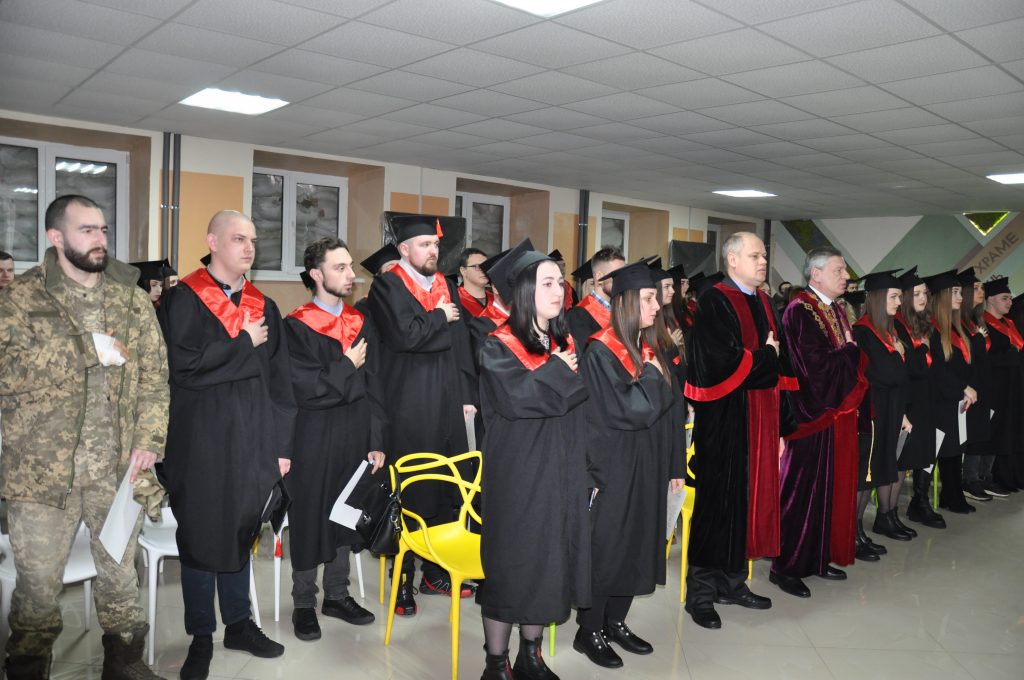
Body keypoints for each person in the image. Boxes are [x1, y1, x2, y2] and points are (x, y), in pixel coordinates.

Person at [0, 195, 168, 680]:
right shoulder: (21, 297)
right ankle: (28, 668)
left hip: (116, 469)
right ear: (56, 237)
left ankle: (124, 663)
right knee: (37, 590)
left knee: (121, 576)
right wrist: (83, 350)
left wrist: (148, 440)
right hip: (41, 476)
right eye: (87, 230)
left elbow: (155, 377)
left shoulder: (130, 299)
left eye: (103, 229)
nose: (100, 240)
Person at [158, 210, 295, 679]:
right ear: (212, 241)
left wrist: (282, 447)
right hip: (199, 443)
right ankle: (201, 636)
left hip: (253, 441)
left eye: (253, 240)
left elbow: (281, 384)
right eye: (239, 239)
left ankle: (238, 624)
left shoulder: (264, 306)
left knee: (241, 531)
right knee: (200, 537)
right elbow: (183, 368)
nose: (249, 247)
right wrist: (241, 343)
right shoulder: (183, 299)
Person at [475, 240, 591, 680]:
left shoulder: (564, 339)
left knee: (548, 562)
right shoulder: (498, 344)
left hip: (560, 466)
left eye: (560, 282)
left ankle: (531, 655)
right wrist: (557, 371)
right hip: (518, 472)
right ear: (524, 291)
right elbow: (517, 400)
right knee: (513, 564)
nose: (559, 290)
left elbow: (577, 402)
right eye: (547, 283)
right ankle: (495, 663)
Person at [574, 260, 685, 669]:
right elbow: (630, 410)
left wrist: (674, 465)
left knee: (638, 544)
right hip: (614, 468)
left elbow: (673, 412)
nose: (657, 305)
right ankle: (589, 630)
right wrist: (652, 378)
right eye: (650, 298)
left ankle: (616, 621)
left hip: (650, 463)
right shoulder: (601, 351)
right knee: (610, 548)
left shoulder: (651, 347)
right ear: (626, 302)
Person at [366, 215, 478, 616]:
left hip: (447, 399)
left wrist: (466, 393)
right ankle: (402, 581)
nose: (433, 251)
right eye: (424, 244)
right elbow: (404, 335)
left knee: (446, 484)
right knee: (411, 490)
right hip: (408, 403)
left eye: (435, 244)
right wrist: (438, 319)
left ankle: (435, 572)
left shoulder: (445, 284)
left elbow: (459, 343)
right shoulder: (388, 286)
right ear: (404, 249)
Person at [683, 233, 791, 630]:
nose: (763, 261)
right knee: (716, 507)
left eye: (764, 255)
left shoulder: (763, 301)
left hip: (760, 421)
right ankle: (700, 594)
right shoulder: (714, 301)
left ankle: (732, 583)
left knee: (746, 504)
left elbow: (780, 368)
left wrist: (782, 427)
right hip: (724, 423)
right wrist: (766, 357)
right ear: (732, 260)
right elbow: (720, 365)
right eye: (755, 255)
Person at [284, 238, 385, 641]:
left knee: (346, 512)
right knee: (310, 516)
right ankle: (303, 603)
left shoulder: (360, 322)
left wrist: (376, 439)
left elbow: (374, 386)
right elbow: (305, 390)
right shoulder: (296, 326)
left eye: (350, 266)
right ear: (316, 274)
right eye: (340, 267)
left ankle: (338, 595)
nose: (351, 275)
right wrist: (345, 367)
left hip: (356, 434)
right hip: (313, 437)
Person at [773, 247, 867, 599]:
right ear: (816, 274)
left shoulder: (835, 308)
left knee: (826, 492)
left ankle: (816, 558)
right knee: (800, 494)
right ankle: (786, 567)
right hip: (808, 414)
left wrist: (847, 355)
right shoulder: (800, 311)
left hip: (831, 413)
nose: (846, 276)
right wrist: (851, 353)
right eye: (839, 270)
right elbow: (813, 367)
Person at [852, 272, 913, 549]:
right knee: (864, 478)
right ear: (877, 298)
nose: (899, 302)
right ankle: (852, 534)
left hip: (890, 412)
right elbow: (887, 375)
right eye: (894, 296)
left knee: (875, 474)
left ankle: (860, 533)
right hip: (871, 416)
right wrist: (898, 355)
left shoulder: (890, 330)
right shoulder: (863, 332)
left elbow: (901, 375)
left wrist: (897, 359)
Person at [893, 267, 946, 531]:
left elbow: (934, 365)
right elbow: (913, 368)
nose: (923, 297)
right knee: (905, 456)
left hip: (928, 397)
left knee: (927, 452)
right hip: (908, 400)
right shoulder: (896, 325)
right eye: (916, 294)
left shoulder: (928, 325)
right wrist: (922, 349)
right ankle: (890, 512)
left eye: (925, 293)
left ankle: (920, 501)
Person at [922, 270, 978, 514]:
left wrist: (966, 389)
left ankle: (952, 494)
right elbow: (937, 368)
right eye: (955, 292)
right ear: (942, 296)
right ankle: (948, 495)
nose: (960, 297)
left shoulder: (956, 327)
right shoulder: (931, 328)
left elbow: (963, 364)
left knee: (956, 447)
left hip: (957, 398)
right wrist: (962, 387)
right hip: (940, 398)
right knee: (946, 448)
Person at [982, 277, 1024, 494]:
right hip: (994, 388)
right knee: (996, 433)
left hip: (1013, 386)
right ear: (990, 299)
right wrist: (1010, 357)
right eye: (1005, 298)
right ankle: (993, 476)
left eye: (1010, 298)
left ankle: (1012, 474)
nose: (1010, 302)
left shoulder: (1009, 324)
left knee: (1011, 431)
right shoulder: (983, 324)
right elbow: (985, 358)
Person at [958, 268, 994, 502]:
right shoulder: (960, 322)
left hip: (982, 385)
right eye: (976, 288)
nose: (981, 292)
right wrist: (978, 339)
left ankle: (978, 477)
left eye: (982, 288)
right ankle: (969, 479)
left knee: (981, 433)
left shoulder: (976, 320)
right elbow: (969, 356)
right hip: (968, 386)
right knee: (970, 435)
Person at [566, 247, 625, 349]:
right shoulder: (578, 316)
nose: (623, 280)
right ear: (599, 277)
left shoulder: (620, 310)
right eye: (616, 275)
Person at [354, 243, 400, 316]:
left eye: (400, 267)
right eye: (391, 268)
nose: (398, 271)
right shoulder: (364, 306)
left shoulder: (414, 301)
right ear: (379, 276)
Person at [457, 247, 493, 316]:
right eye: (476, 266)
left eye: (486, 266)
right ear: (463, 270)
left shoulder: (496, 301)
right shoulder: (454, 300)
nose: (483, 270)